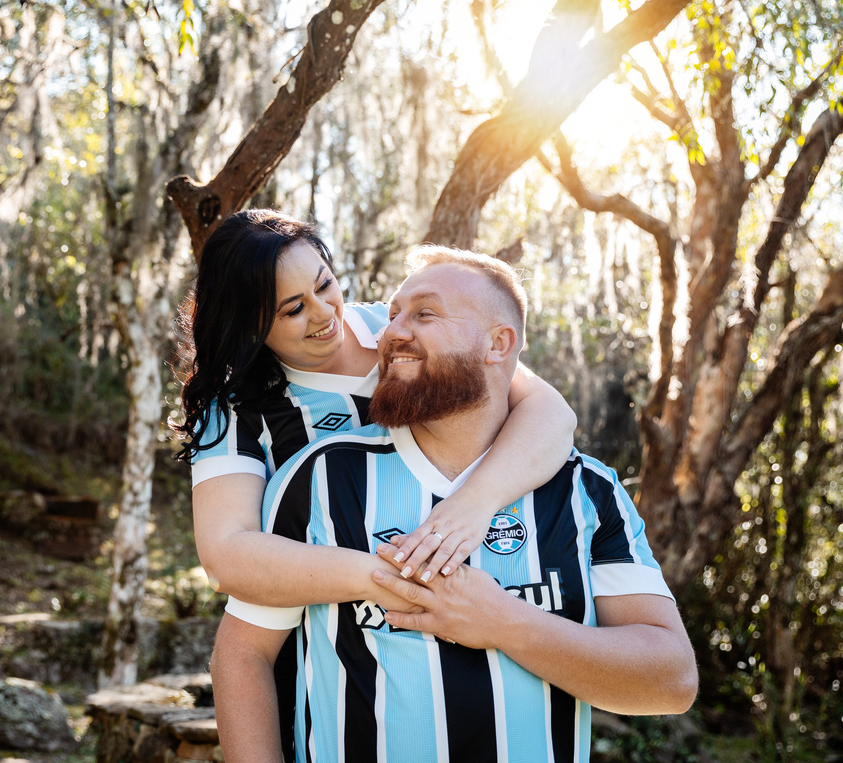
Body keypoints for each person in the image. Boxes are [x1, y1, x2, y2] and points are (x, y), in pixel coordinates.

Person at [210, 245, 698, 763]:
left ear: (498, 344)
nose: (391, 330)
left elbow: (671, 681)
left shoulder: (586, 491)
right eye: (393, 313)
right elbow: (242, 653)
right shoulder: (318, 481)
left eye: (424, 314)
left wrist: (504, 622)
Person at [175, 210, 577, 754]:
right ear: (251, 325)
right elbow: (228, 556)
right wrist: (397, 577)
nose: (324, 315)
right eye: (294, 309)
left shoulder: (397, 334)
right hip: (327, 642)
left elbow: (550, 414)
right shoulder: (241, 412)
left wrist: (475, 505)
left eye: (324, 285)